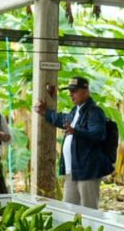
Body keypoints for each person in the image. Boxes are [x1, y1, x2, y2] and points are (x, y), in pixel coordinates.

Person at [34, 76, 113, 209]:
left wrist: (76, 131)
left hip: (87, 171)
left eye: (74, 91)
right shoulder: (75, 111)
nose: (71, 94)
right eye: (70, 91)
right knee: (69, 209)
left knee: (88, 210)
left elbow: (98, 134)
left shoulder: (94, 112)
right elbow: (61, 119)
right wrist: (45, 112)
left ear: (86, 91)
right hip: (72, 170)